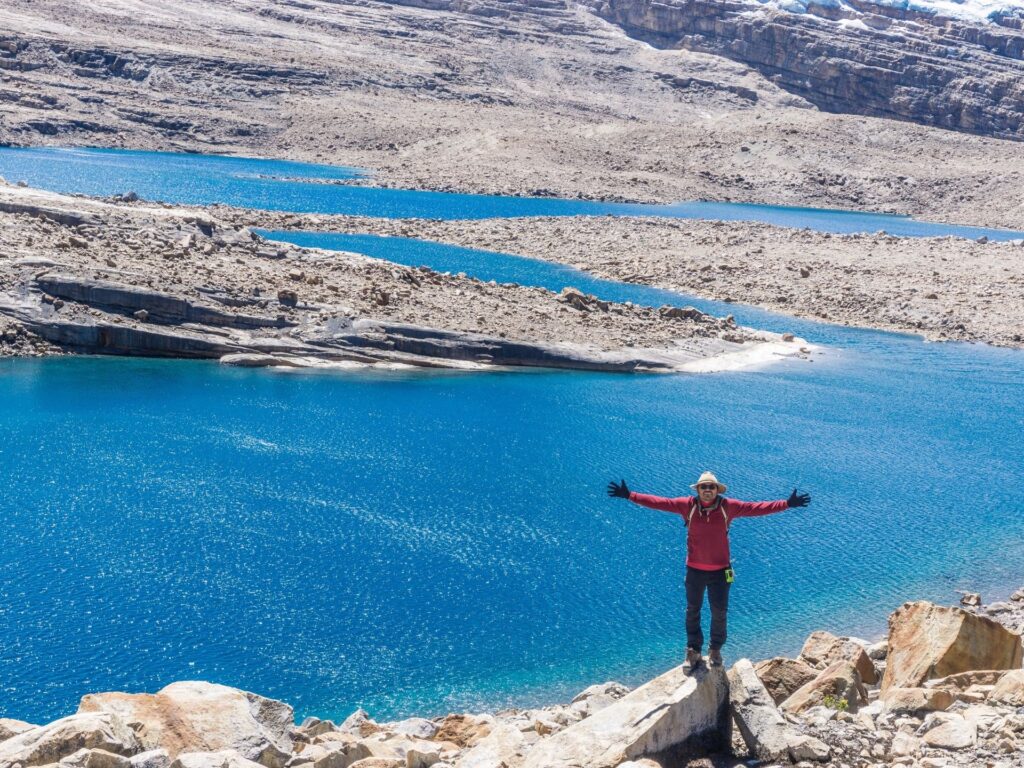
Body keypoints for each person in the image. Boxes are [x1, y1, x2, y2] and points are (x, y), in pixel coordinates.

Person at [607, 471, 809, 669]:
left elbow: (756, 508)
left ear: (717, 490)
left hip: (721, 572)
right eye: (703, 487)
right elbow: (659, 502)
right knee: (692, 611)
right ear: (698, 489)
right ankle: (693, 651)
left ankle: (715, 650)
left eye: (711, 487)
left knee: (719, 612)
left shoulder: (728, 507)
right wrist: (630, 495)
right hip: (694, 569)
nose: (707, 490)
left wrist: (787, 504)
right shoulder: (687, 506)